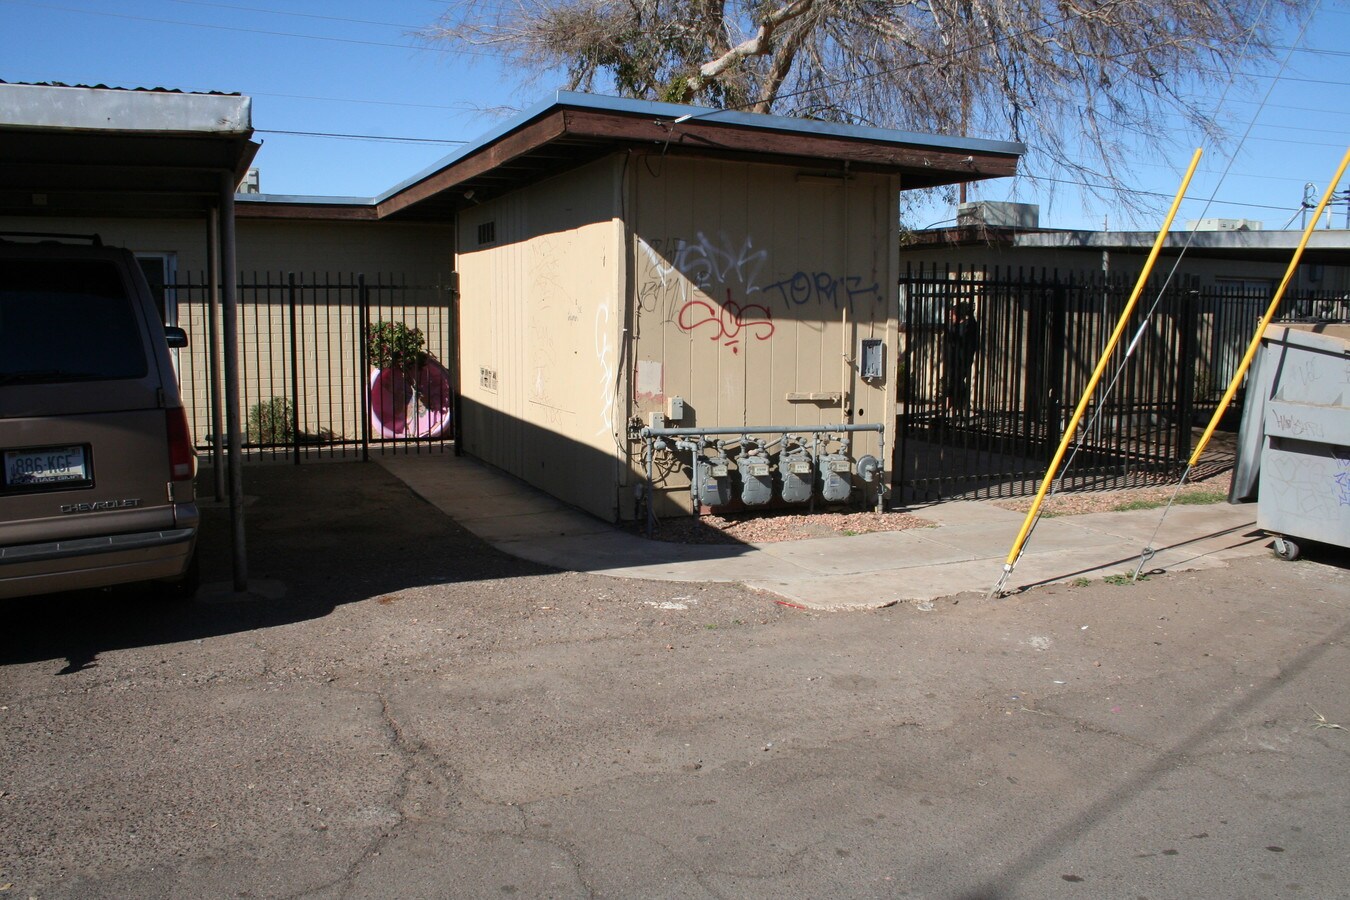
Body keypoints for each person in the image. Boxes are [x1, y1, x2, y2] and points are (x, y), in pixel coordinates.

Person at [942, 302, 980, 414]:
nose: (950, 317)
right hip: (951, 360)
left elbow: (970, 344)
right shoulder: (953, 326)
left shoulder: (969, 326)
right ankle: (954, 405)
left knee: (958, 382)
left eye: (952, 315)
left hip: (962, 360)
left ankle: (960, 406)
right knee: (953, 381)